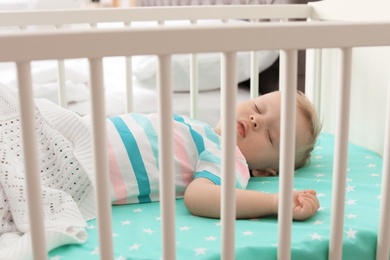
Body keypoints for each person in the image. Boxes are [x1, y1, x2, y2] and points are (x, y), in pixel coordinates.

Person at [0, 86, 320, 244]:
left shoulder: (228, 157)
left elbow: (200, 197)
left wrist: (276, 202)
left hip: (67, 167)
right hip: (65, 135)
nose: (254, 119)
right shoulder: (201, 129)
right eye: (258, 107)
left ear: (264, 172)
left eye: (270, 135)